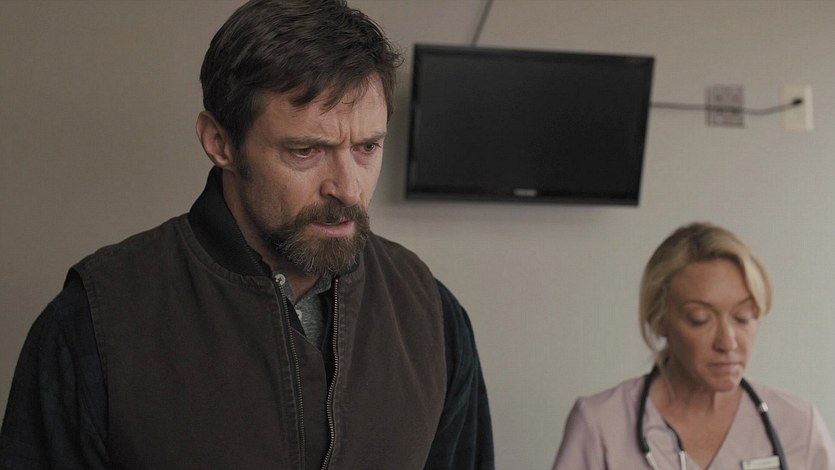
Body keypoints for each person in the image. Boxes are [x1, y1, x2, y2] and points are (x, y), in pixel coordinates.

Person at [0, 1, 494, 468]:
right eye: (306, 151)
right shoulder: (91, 323)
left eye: (367, 147)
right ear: (220, 142)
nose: (347, 188)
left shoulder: (433, 315)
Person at [553, 222, 835, 469]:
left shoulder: (799, 426)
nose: (727, 342)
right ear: (659, 319)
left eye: (743, 318)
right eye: (700, 319)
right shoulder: (601, 425)